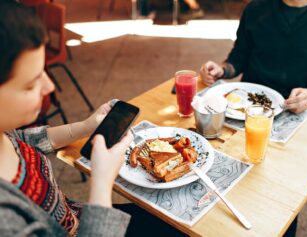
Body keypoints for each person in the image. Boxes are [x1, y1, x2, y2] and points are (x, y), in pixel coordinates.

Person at [0, 1, 186, 236]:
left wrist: (85, 126)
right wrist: (101, 182)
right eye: (30, 84)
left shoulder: (4, 132)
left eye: (44, 73)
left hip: (78, 214)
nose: (49, 87)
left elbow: (26, 139)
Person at [200, 0, 307, 114]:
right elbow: (237, 59)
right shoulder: (255, 8)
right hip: (248, 104)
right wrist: (222, 70)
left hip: (295, 110)